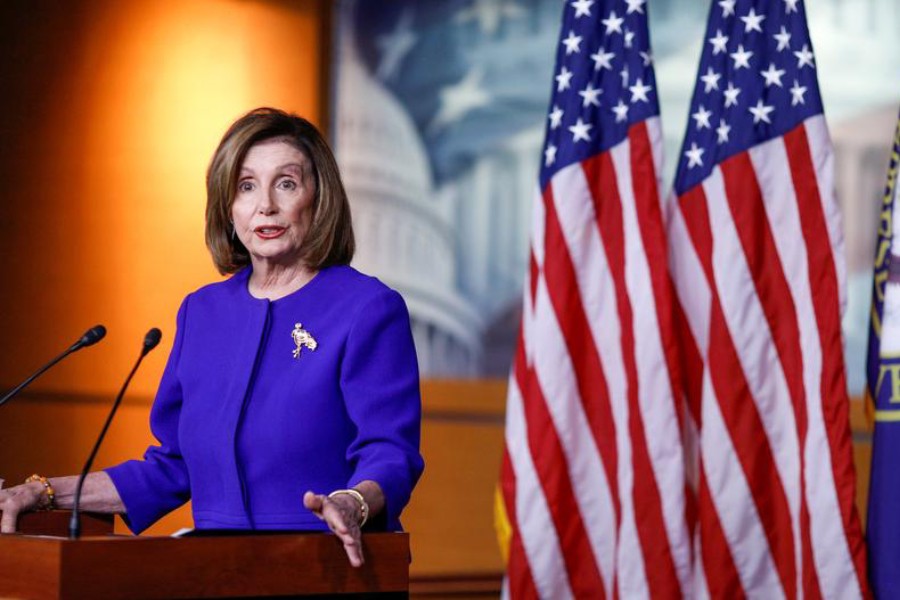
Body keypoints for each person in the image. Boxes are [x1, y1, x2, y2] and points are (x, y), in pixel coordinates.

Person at [0, 107, 425, 567]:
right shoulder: (202, 312)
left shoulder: (365, 308)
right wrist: (43, 493)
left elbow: (389, 451)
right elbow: (174, 466)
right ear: (228, 206)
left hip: (327, 566)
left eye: (286, 183)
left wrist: (353, 502)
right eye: (246, 186)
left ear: (319, 199)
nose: (266, 205)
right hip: (215, 574)